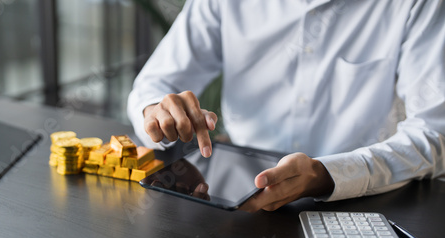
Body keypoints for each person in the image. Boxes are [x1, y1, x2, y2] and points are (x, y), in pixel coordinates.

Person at [127, 0, 445, 212]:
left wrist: (326, 174)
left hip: (363, 203)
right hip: (237, 199)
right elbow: (153, 87)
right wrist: (157, 111)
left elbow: (435, 132)